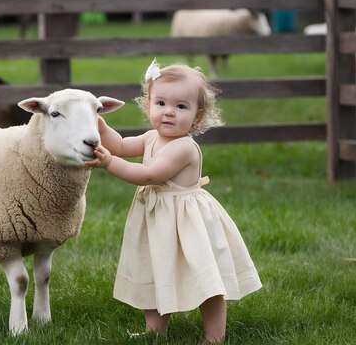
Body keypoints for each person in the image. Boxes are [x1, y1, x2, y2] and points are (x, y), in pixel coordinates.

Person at [85, 59, 262, 344]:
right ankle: (155, 330)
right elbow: (119, 145)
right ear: (148, 105)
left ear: (197, 115)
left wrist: (109, 163)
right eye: (161, 103)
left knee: (205, 280)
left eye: (181, 107)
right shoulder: (151, 137)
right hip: (158, 220)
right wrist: (102, 126)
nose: (169, 112)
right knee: (153, 269)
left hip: (186, 222)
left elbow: (149, 174)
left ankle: (214, 336)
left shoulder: (183, 147)